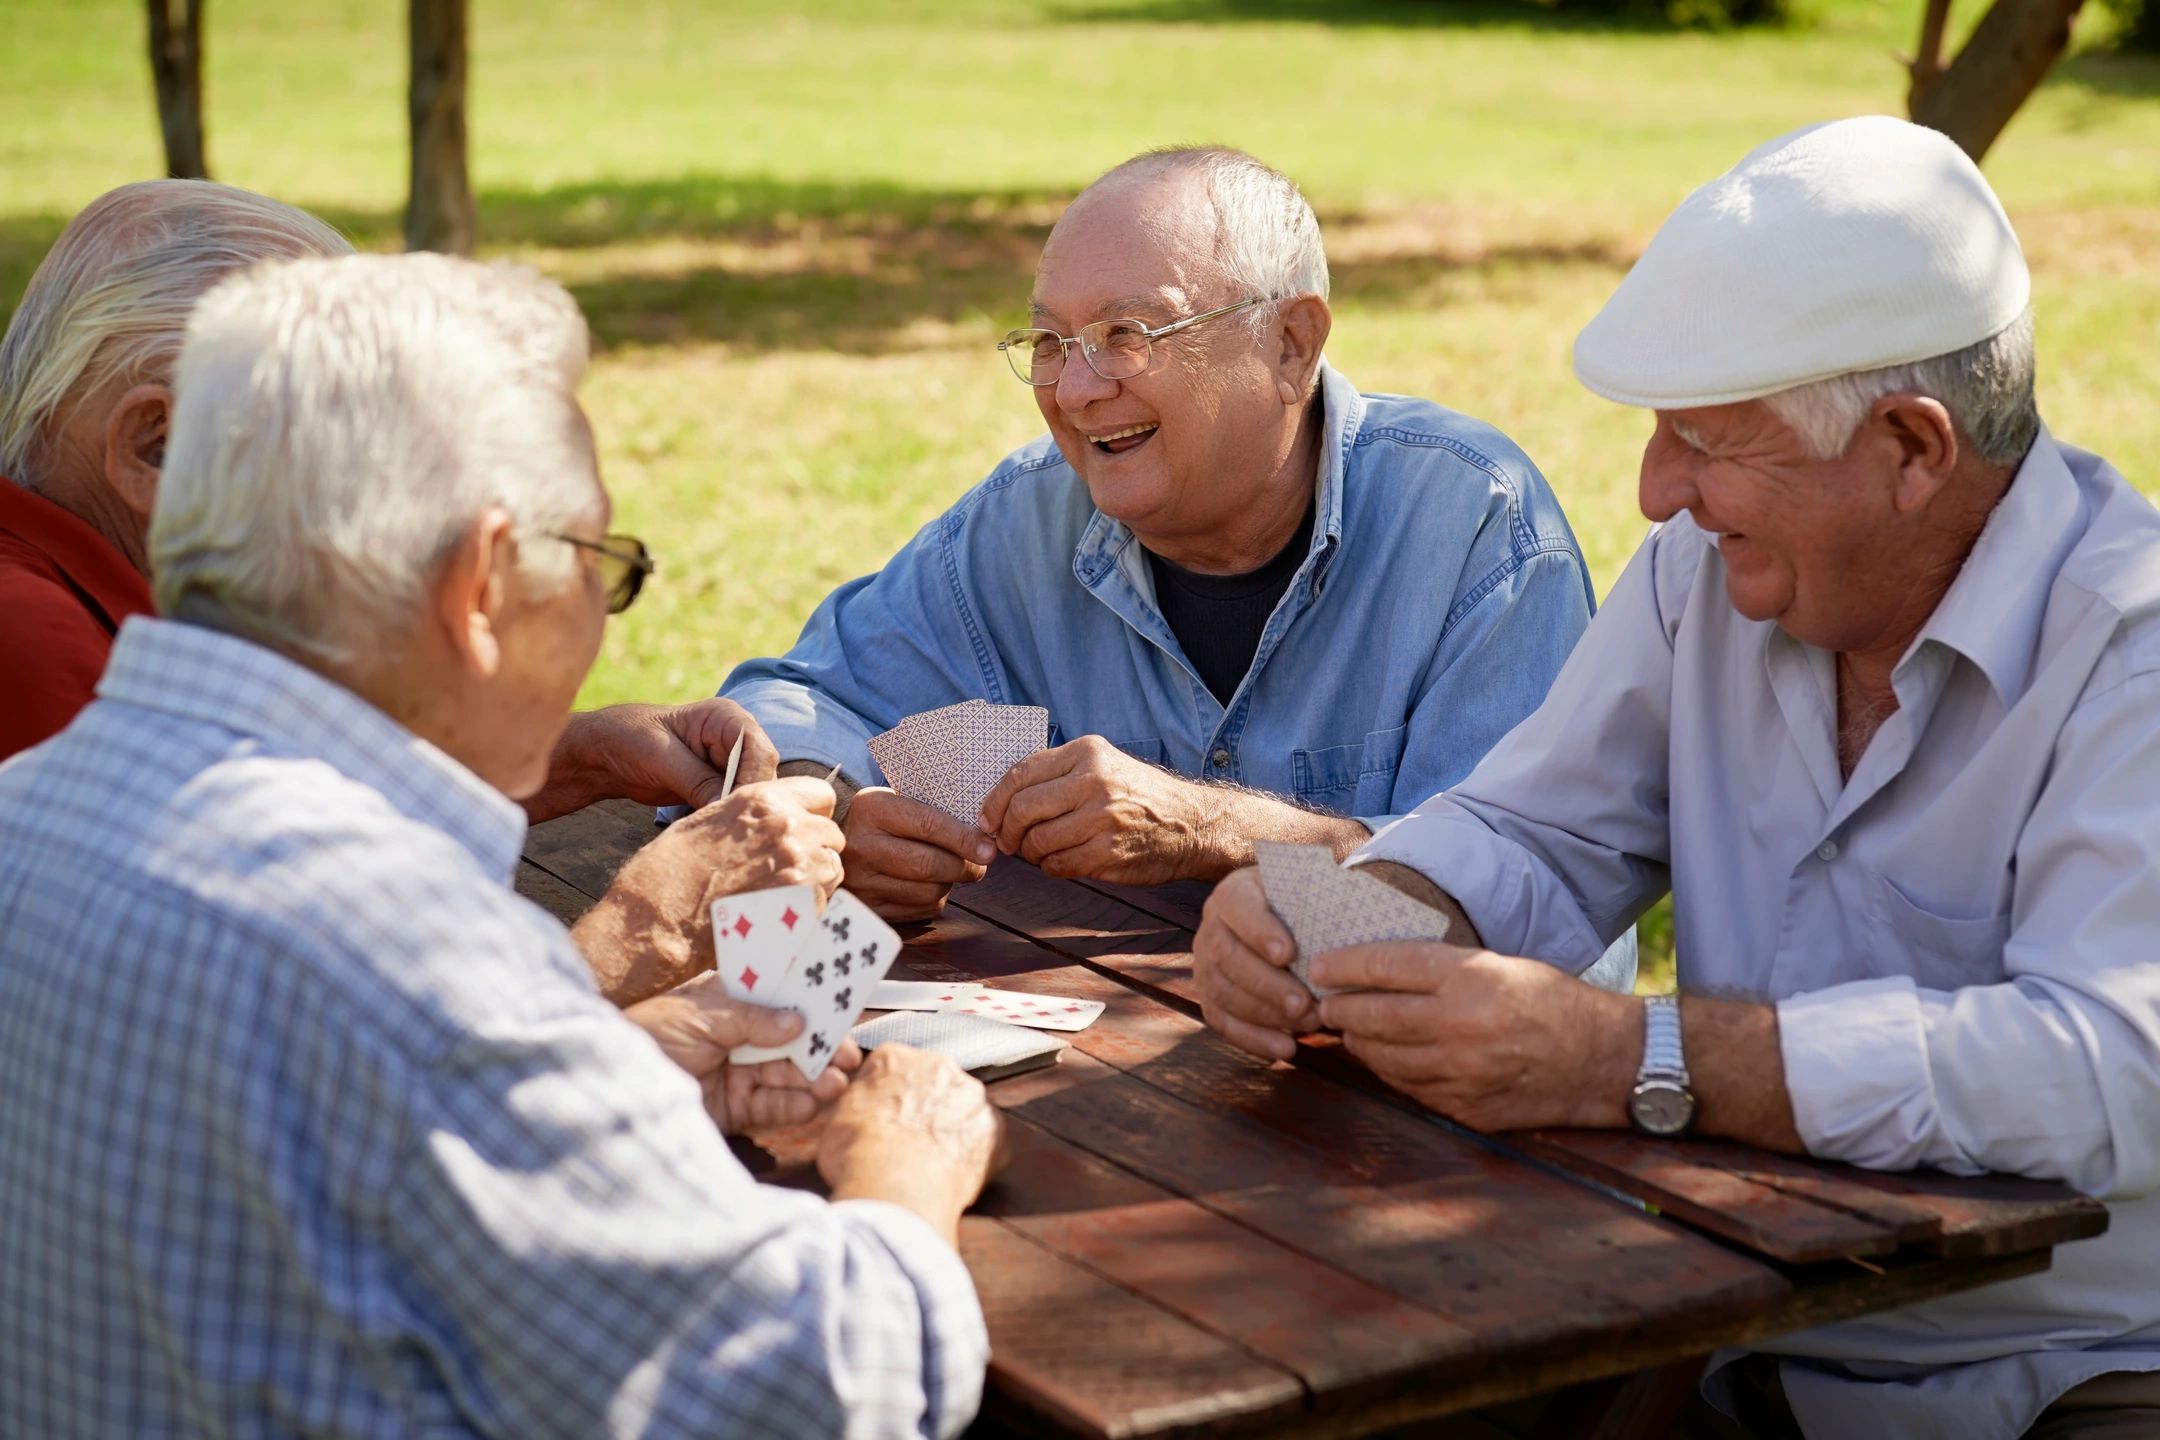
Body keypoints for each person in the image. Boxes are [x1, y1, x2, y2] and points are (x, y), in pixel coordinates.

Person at [1193, 117, 2160, 1438]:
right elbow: (1535, 827)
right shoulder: (1707, 575)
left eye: (1709, 441)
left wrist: (1639, 1058)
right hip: (1736, 1327)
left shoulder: (2133, 652)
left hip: (2080, 1370)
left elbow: (2108, 1067)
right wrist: (1358, 908)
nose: (1656, 493)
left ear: (1912, 450)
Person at [0, 252, 1003, 1439]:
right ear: (481, 585)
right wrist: (909, 1156)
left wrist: (610, 1068)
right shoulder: (411, 949)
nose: (593, 615)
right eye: (598, 565)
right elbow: (831, 1382)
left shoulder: (31, 804)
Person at [713, 147, 1634, 993]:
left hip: (1382, 1121)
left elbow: (1535, 923)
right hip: (1103, 1094)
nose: (1076, 391)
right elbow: (786, 702)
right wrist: (833, 810)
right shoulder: (1027, 520)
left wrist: (1218, 835)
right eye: (1049, 343)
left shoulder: (1474, 522)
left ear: (1291, 346)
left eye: (1127, 333)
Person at [0, 178, 773, 820]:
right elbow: (280, 957)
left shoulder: (122, 597)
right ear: (154, 448)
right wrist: (652, 924)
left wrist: (581, 753)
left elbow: (304, 796)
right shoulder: (38, 650)